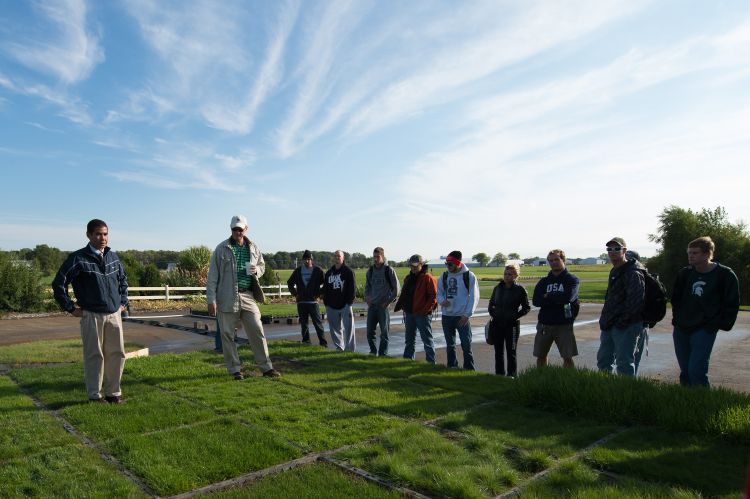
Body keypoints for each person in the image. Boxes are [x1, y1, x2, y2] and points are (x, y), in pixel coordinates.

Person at [52, 219, 128, 403]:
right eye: (98, 234)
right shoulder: (77, 259)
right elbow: (58, 284)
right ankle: (95, 396)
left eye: (105, 234)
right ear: (89, 235)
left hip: (113, 314)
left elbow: (123, 281)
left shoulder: (113, 257)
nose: (103, 238)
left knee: (117, 354)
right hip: (91, 315)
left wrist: (123, 303)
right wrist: (71, 308)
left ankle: (113, 394)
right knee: (95, 355)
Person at [206, 215, 280, 380]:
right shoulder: (221, 249)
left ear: (246, 229)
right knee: (227, 335)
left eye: (240, 229)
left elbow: (262, 265)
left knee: (257, 330)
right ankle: (235, 370)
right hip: (227, 297)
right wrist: (211, 300)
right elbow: (212, 277)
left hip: (248, 295)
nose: (237, 232)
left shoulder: (253, 247)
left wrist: (257, 271)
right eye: (234, 229)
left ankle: (266, 368)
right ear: (231, 229)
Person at [671, 236, 740, 387]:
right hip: (682, 328)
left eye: (695, 253)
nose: (690, 255)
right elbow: (676, 299)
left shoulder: (725, 275)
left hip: (704, 328)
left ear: (708, 254)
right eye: (689, 252)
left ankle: (702, 401)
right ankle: (685, 400)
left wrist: (716, 323)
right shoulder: (685, 273)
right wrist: (677, 320)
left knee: (696, 370)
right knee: (685, 371)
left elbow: (732, 303)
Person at [597, 237, 646, 376]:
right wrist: (605, 320)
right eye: (609, 249)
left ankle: (625, 394)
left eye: (617, 249)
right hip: (610, 323)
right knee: (604, 361)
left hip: (626, 326)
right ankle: (605, 390)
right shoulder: (614, 271)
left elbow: (636, 302)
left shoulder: (633, 272)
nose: (612, 252)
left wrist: (621, 322)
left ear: (624, 250)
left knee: (624, 363)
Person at [532, 249, 580, 368]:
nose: (553, 262)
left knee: (567, 357)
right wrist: (558, 299)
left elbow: (569, 298)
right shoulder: (544, 281)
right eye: (551, 260)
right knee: (541, 356)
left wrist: (547, 296)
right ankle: (541, 379)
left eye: (556, 259)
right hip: (544, 324)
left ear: (563, 260)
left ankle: (568, 382)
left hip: (564, 324)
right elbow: (536, 301)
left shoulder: (572, 279)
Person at [437, 251, 480, 369]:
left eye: (450, 264)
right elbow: (439, 292)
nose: (448, 266)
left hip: (462, 316)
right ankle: (452, 365)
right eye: (447, 264)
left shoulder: (469, 276)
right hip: (447, 316)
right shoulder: (444, 276)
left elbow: (475, 296)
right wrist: (441, 301)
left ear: (458, 263)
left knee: (466, 344)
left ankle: (469, 368)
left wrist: (467, 315)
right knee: (450, 344)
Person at [488, 263, 530, 377]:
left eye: (510, 274)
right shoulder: (497, 288)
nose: (507, 276)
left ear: (516, 275)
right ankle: (499, 374)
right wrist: (494, 315)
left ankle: (512, 375)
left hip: (512, 326)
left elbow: (526, 307)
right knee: (498, 352)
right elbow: (491, 305)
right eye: (506, 274)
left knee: (511, 352)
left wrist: (514, 317)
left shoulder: (520, 289)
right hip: (497, 324)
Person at [394, 254, 437, 363]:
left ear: (421, 265)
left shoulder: (428, 277)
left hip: (422, 314)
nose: (413, 268)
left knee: (427, 340)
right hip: (409, 313)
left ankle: (431, 362)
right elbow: (405, 294)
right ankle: (408, 361)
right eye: (411, 266)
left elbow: (433, 296)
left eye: (415, 266)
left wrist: (424, 310)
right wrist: (403, 306)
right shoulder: (408, 278)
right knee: (409, 340)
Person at [287, 250, 327, 346]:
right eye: (305, 259)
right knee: (304, 324)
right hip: (301, 303)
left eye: (309, 259)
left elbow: (326, 283)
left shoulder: (318, 271)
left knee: (317, 324)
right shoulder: (298, 271)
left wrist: (319, 295)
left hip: (313, 303)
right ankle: (306, 342)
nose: (307, 261)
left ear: (312, 260)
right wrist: (296, 294)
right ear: (302, 260)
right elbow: (290, 283)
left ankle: (323, 343)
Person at [364, 247, 400, 356]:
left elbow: (397, 289)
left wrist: (388, 301)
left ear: (382, 257)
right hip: (372, 306)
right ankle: (373, 351)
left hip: (383, 307)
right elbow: (367, 288)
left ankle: (383, 354)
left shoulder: (389, 270)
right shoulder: (370, 271)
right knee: (370, 332)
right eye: (374, 257)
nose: (375, 259)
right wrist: (367, 298)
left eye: (377, 257)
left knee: (384, 333)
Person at [323, 250, 356, 351]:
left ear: (343, 258)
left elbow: (352, 288)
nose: (337, 258)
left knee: (349, 329)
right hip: (332, 306)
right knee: (335, 329)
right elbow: (325, 289)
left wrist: (349, 302)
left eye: (339, 256)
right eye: (335, 256)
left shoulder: (348, 272)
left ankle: (350, 349)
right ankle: (339, 347)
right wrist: (326, 303)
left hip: (345, 305)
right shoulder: (329, 273)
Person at [626, 249, 649, 374]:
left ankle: (629, 385)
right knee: (630, 358)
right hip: (637, 322)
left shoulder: (638, 274)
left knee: (631, 358)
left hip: (636, 323)